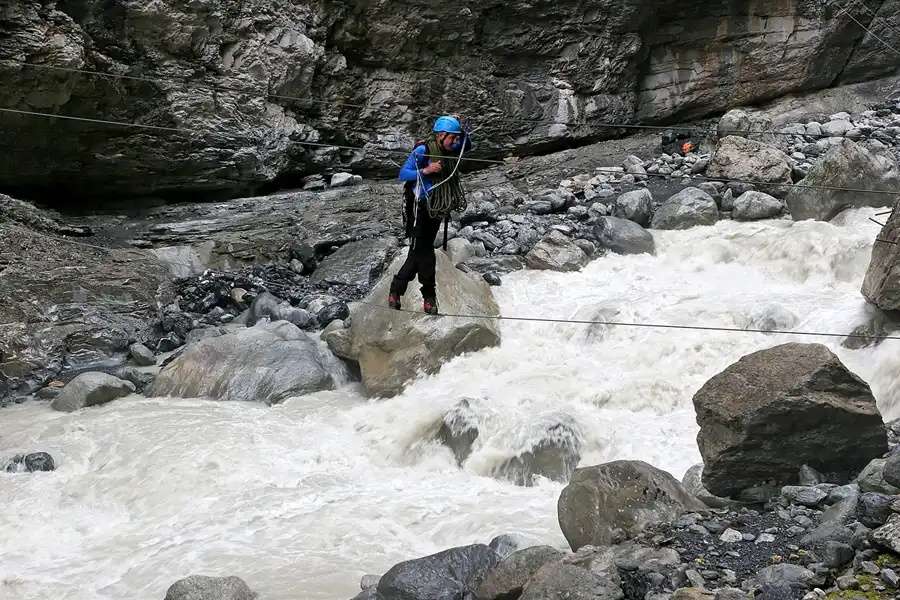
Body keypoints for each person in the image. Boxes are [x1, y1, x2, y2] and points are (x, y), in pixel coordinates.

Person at [388, 115, 472, 315]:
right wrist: (426, 170)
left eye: (455, 138)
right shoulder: (423, 150)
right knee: (423, 253)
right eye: (452, 138)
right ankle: (426, 297)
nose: (455, 142)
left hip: (436, 207)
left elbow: (466, 145)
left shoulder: (452, 149)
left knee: (421, 251)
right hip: (419, 207)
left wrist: (462, 129)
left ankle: (400, 291)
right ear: (441, 135)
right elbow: (403, 174)